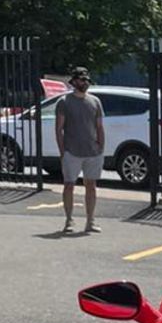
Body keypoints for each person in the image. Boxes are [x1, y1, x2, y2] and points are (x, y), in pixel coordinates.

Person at [55, 67, 106, 234]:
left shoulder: (95, 101)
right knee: (69, 185)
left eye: (87, 80)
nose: (85, 83)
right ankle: (69, 220)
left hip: (92, 151)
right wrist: (63, 151)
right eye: (82, 80)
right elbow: (59, 128)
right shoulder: (64, 102)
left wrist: (101, 147)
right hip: (72, 151)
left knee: (91, 185)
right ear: (74, 81)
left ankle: (90, 221)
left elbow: (99, 126)